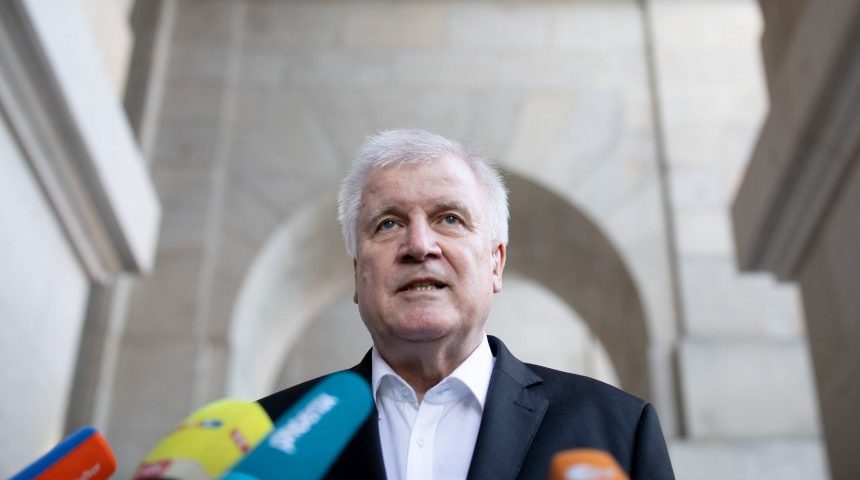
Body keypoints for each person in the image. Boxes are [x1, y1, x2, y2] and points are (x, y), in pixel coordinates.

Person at [259, 129, 675, 479]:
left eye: (449, 219)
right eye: (388, 224)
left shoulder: (617, 431)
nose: (419, 245)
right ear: (357, 273)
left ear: (495, 262)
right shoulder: (268, 440)